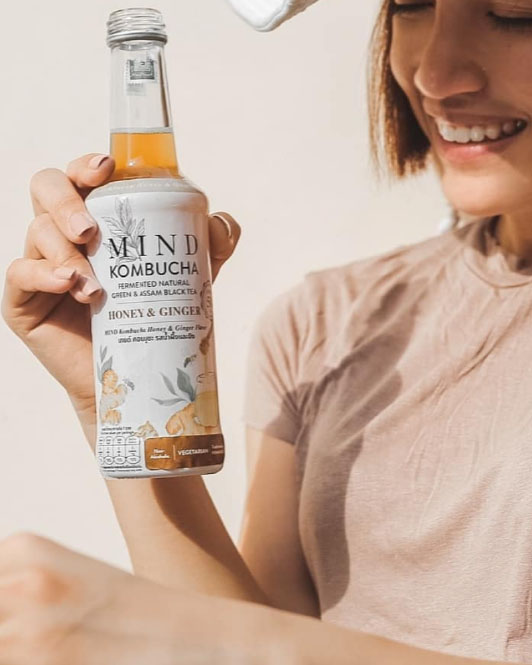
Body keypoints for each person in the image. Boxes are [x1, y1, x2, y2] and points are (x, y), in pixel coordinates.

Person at [2, 0, 532, 662]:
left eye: (515, 12)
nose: (434, 73)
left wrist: (149, 626)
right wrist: (109, 399)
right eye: (410, 3)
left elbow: (250, 646)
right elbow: (247, 641)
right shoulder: (323, 322)